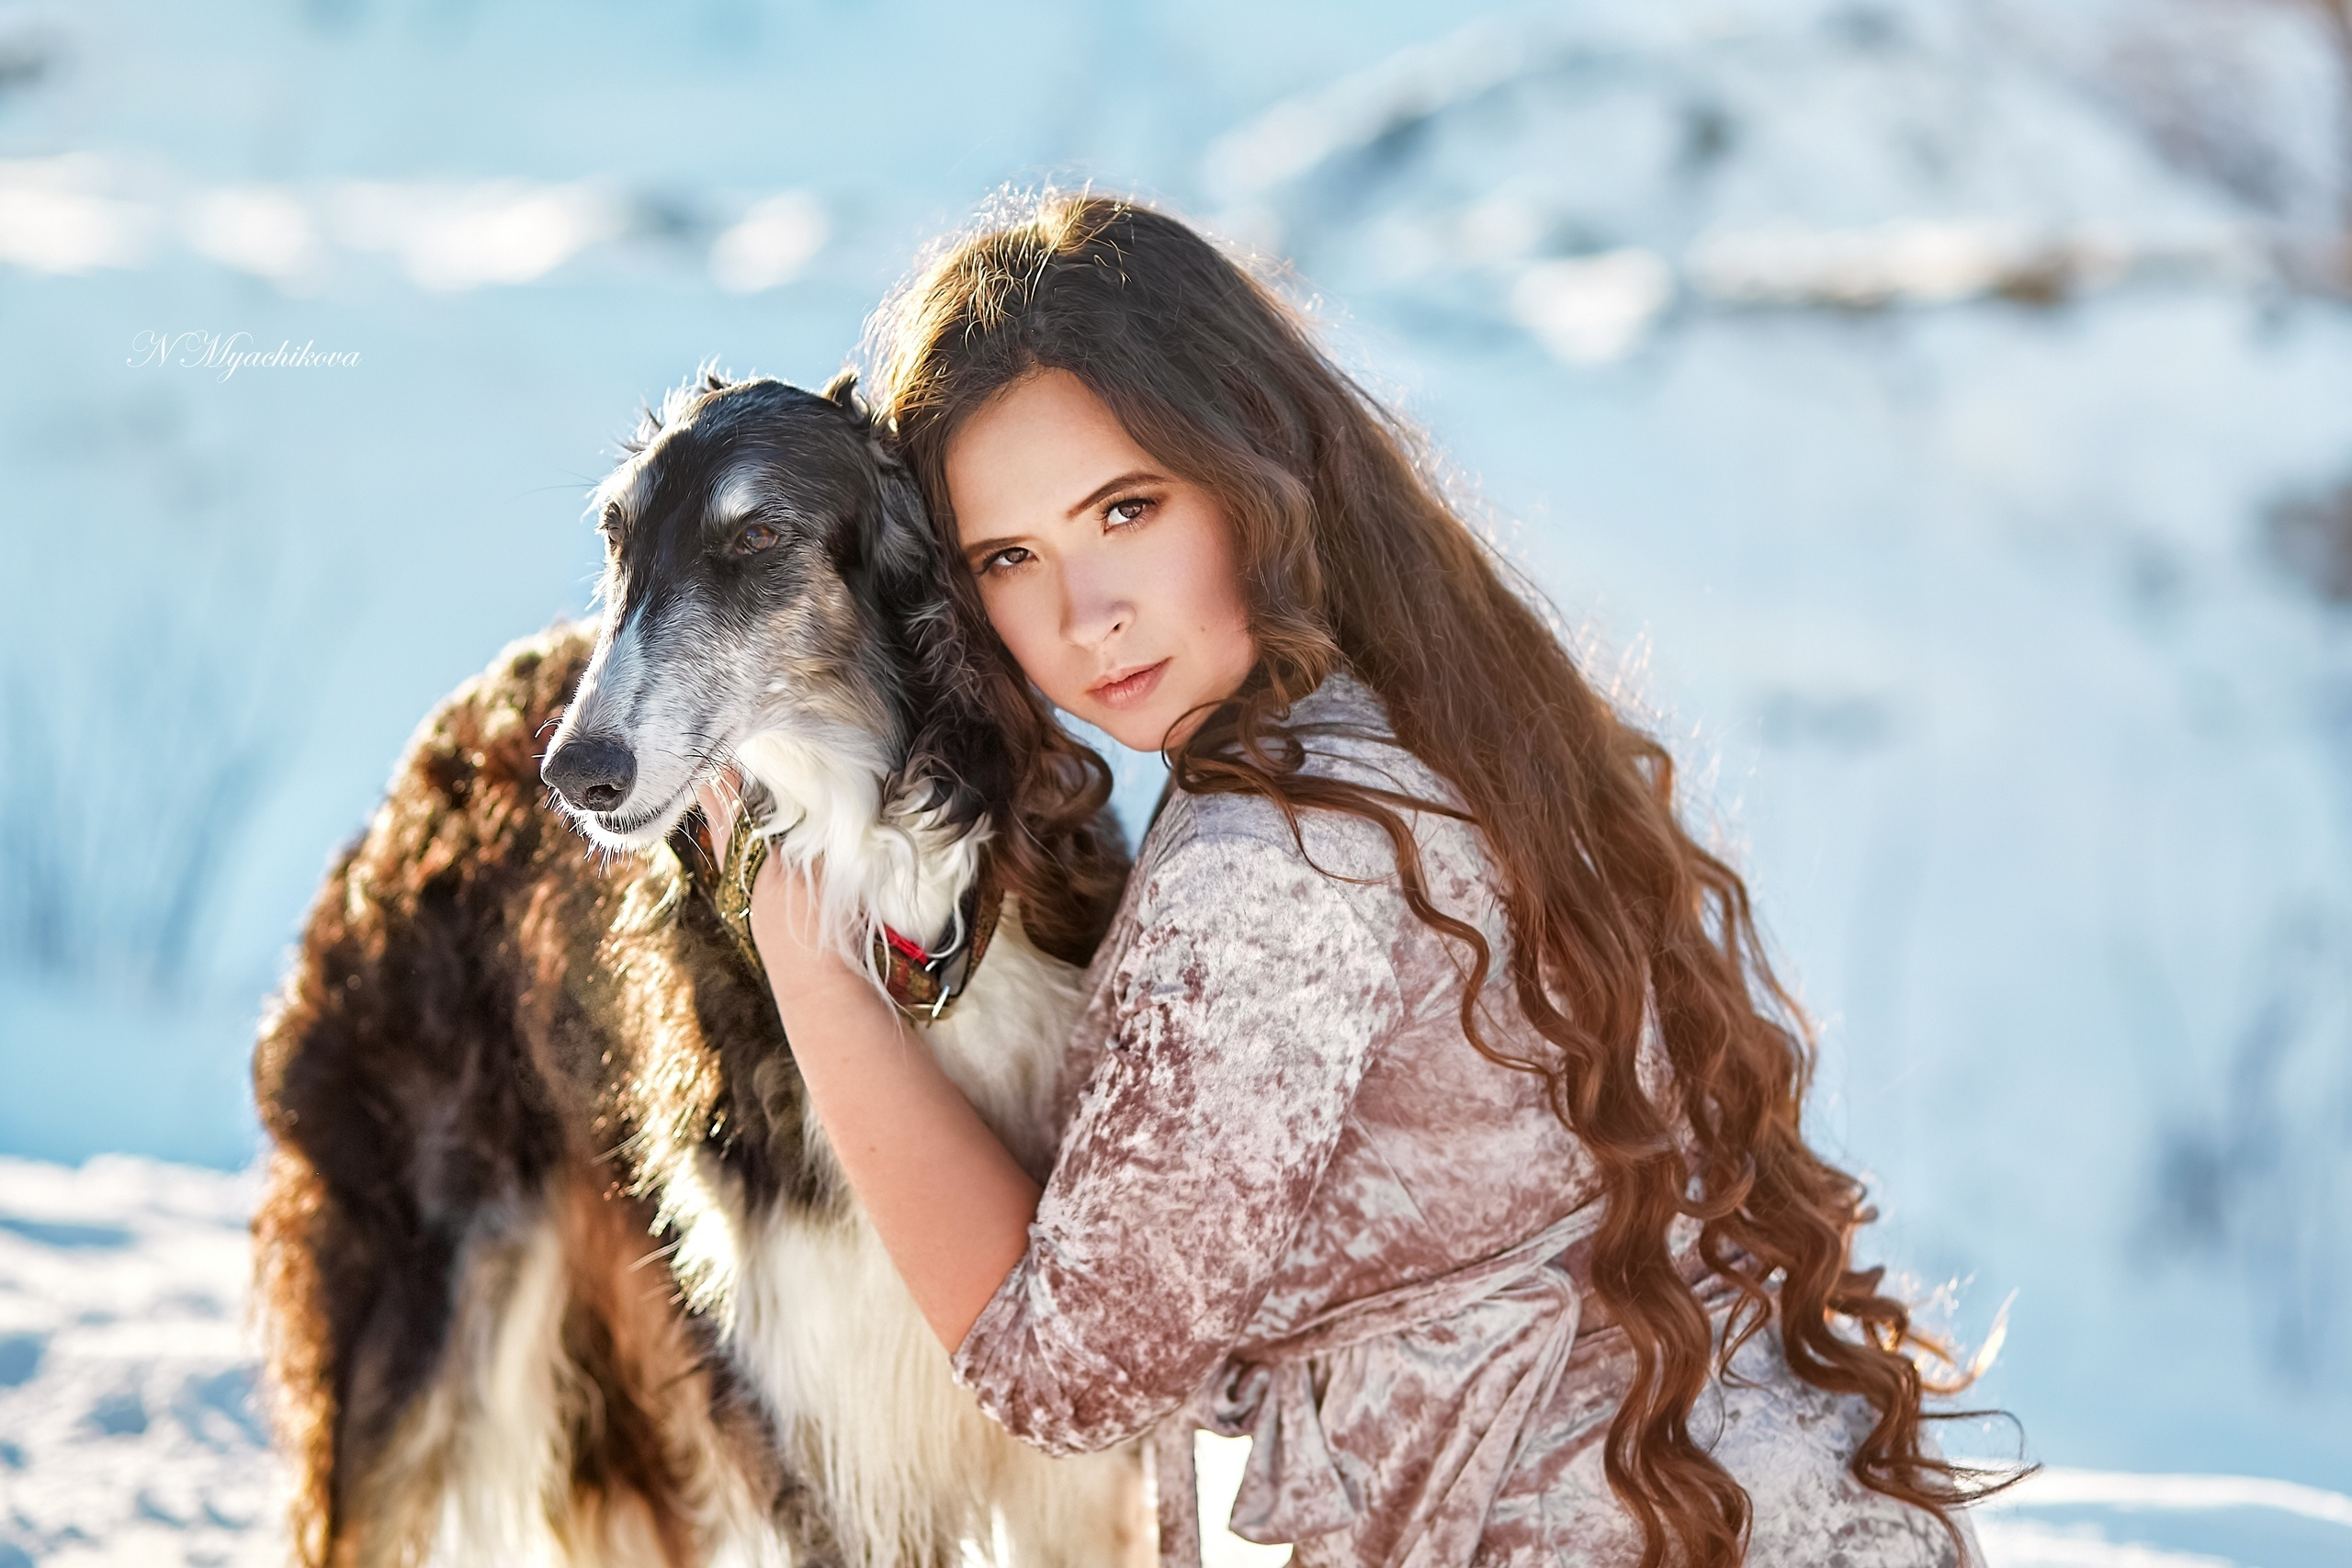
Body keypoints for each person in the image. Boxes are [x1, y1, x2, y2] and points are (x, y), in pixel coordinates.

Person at [696, 194, 2010, 1568]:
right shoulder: (1419, 724)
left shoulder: (1278, 858)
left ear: (1251, 468)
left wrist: (806, 956)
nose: (1087, 615)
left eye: (1127, 509)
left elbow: (1068, 1377)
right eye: (1009, 559)